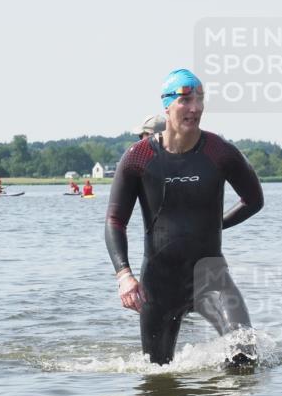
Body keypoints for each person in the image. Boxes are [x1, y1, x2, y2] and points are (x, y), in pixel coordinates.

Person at [105, 69, 264, 367]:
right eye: (185, 100)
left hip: (211, 276)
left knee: (245, 354)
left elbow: (254, 200)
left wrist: (215, 225)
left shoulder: (220, 152)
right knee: (157, 373)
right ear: (166, 105)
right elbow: (115, 221)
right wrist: (124, 276)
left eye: (200, 99)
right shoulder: (138, 157)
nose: (195, 107)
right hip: (159, 281)